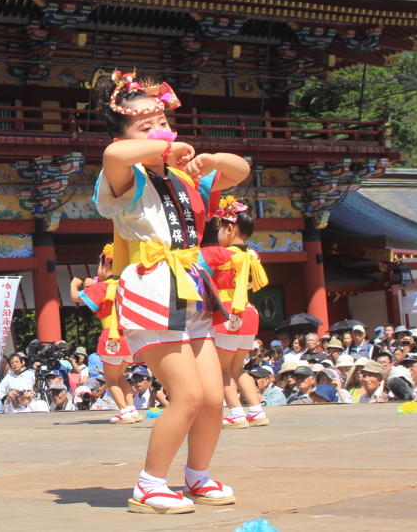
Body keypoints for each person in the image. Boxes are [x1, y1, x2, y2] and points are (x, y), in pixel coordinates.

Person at [93, 69, 249, 513]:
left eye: (162, 122)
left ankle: (197, 476)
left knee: (214, 396)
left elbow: (241, 171)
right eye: (146, 126)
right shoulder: (126, 174)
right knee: (188, 395)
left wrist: (213, 159)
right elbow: (114, 152)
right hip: (152, 284)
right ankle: (149, 483)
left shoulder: (183, 176)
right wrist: (163, 146)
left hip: (191, 283)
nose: (160, 132)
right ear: (129, 133)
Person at [202, 198, 269, 429]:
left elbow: (191, 263)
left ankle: (236, 413)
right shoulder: (253, 255)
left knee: (221, 369)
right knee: (237, 368)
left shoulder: (220, 254)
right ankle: (256, 410)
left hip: (227, 313)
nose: (218, 232)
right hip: (248, 313)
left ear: (229, 228)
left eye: (220, 227)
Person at [69, 243, 139, 424]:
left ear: (106, 266)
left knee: (111, 379)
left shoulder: (103, 287)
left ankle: (124, 410)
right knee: (120, 376)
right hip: (130, 336)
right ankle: (131, 409)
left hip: (113, 334)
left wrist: (74, 284)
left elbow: (77, 297)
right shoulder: (126, 285)